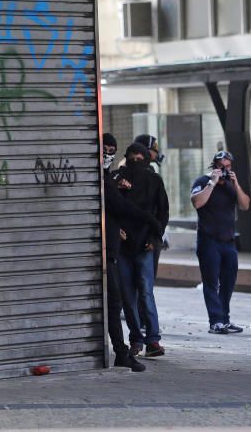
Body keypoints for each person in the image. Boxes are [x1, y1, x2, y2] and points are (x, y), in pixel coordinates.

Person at [112, 142, 168, 359]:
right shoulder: (117, 179)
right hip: (123, 245)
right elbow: (109, 207)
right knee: (128, 295)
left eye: (140, 157)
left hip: (145, 244)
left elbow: (162, 212)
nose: (137, 161)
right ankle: (136, 339)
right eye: (132, 157)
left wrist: (155, 237)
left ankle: (152, 339)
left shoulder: (154, 181)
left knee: (146, 291)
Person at [101, 134, 149, 372]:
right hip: (104, 251)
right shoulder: (104, 178)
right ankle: (120, 353)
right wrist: (147, 218)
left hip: (110, 250)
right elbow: (117, 206)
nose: (108, 153)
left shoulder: (108, 178)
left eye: (112, 149)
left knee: (115, 301)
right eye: (105, 148)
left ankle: (121, 352)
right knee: (115, 301)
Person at [191, 150, 251, 334]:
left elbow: (245, 205)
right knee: (211, 283)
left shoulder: (232, 185)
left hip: (228, 242)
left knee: (228, 282)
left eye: (227, 166)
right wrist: (212, 182)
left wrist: (237, 184)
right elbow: (197, 203)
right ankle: (215, 322)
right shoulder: (202, 181)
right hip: (208, 241)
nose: (224, 169)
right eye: (221, 166)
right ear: (214, 165)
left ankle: (224, 319)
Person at [134, 134, 169, 278]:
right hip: (143, 233)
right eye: (154, 149)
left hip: (151, 232)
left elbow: (160, 207)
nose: (157, 153)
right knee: (144, 279)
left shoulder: (151, 172)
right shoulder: (133, 171)